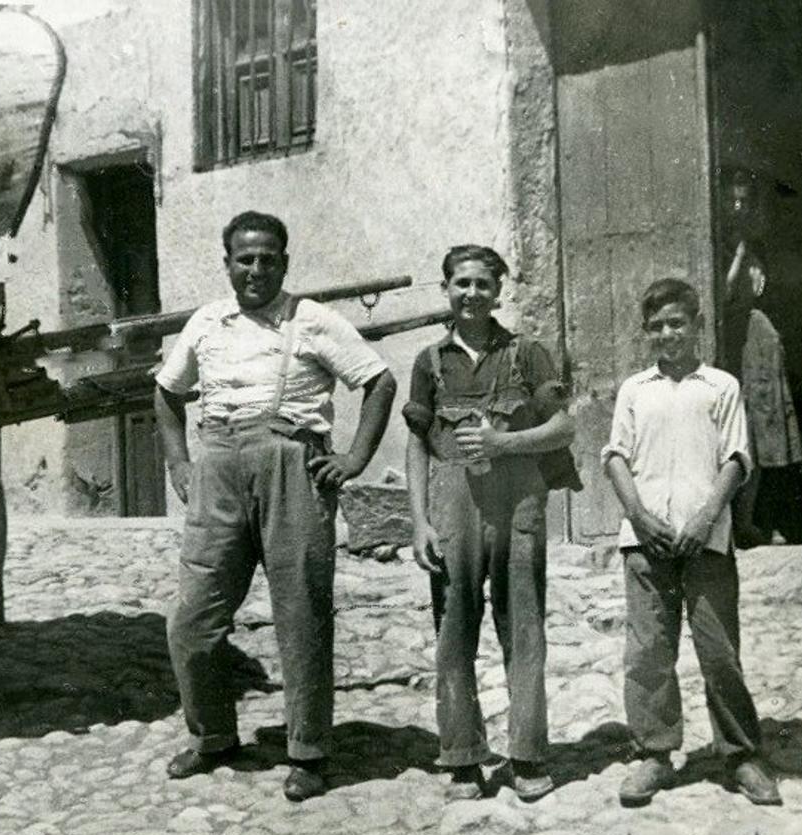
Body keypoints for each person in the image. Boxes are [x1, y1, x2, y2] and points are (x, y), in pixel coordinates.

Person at [154, 210, 396, 802]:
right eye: (245, 259)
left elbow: (380, 381)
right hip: (218, 468)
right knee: (193, 617)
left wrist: (355, 460)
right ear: (228, 263)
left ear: (284, 263)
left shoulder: (311, 320)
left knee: (301, 612)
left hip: (293, 468)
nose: (256, 269)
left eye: (268, 259)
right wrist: (181, 465)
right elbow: (165, 392)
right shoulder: (207, 323)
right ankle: (212, 737)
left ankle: (308, 752)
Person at [403, 245, 577, 803]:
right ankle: (462, 759)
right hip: (453, 502)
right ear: (446, 290)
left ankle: (526, 758)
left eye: (483, 284)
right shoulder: (429, 362)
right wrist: (418, 522)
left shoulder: (529, 355)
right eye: (461, 283)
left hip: (518, 498)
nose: (472, 293)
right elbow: (416, 445)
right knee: (454, 629)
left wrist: (505, 443)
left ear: (498, 292)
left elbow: (564, 428)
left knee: (523, 629)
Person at [602, 277, 780, 808]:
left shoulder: (720, 386)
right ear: (646, 333)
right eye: (656, 327)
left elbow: (737, 459)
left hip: (707, 541)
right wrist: (638, 516)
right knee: (648, 653)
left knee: (719, 651)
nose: (667, 334)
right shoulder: (635, 389)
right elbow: (615, 457)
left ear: (697, 325)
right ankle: (655, 754)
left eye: (677, 323)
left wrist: (706, 518)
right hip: (646, 540)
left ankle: (742, 754)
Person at [720, 169, 802, 547]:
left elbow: (759, 288)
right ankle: (737, 522)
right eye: (733, 200)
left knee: (760, 431)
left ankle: (750, 521)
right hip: (731, 339)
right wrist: (739, 256)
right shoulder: (719, 241)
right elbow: (720, 294)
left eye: (744, 200)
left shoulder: (750, 243)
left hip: (756, 342)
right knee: (735, 431)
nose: (738, 207)